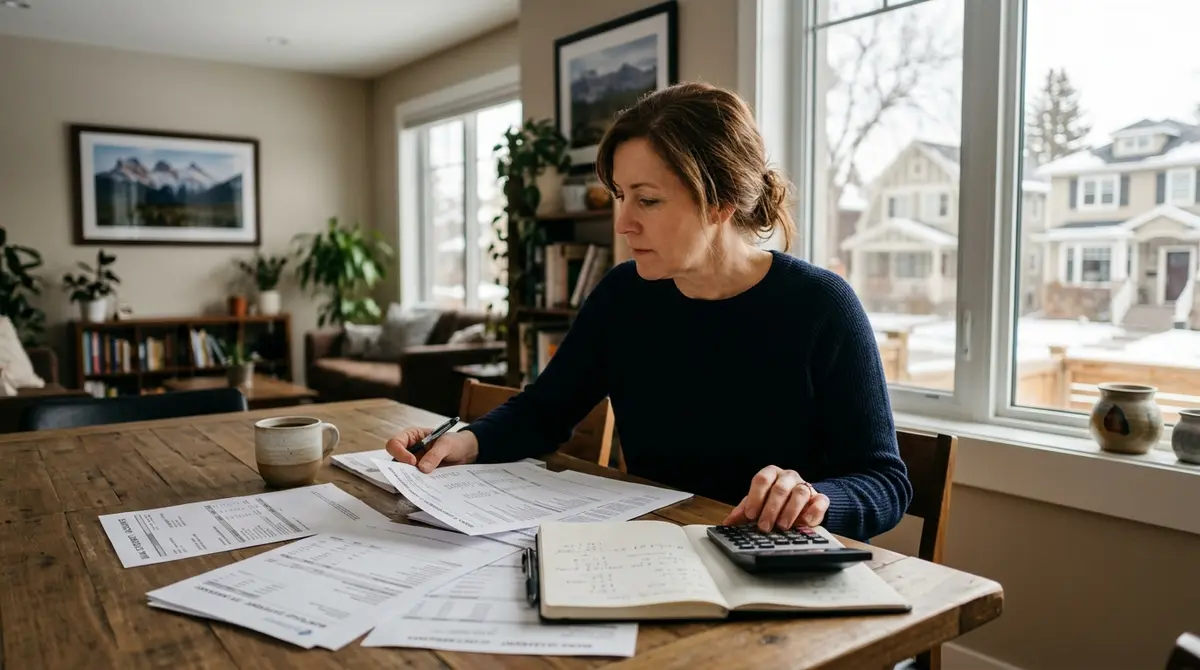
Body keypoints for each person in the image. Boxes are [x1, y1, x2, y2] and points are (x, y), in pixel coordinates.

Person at [386, 81, 912, 541]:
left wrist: (815, 499)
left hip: (776, 575)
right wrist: (465, 442)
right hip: (653, 551)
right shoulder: (625, 296)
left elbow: (884, 483)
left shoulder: (821, 306)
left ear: (720, 201)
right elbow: (545, 410)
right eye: (619, 196)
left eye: (648, 199)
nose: (623, 224)